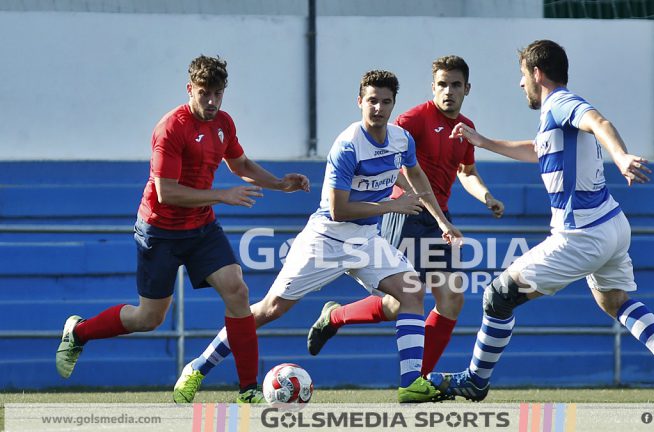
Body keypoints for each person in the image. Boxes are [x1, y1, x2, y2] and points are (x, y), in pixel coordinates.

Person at [426, 40, 654, 402]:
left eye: (523, 76)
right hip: (612, 224)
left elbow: (598, 121)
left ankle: (476, 380)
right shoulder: (554, 117)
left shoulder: (561, 102)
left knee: (497, 296)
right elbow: (536, 149)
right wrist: (483, 141)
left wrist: (619, 157)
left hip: (581, 234)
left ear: (537, 74)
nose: (521, 84)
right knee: (615, 301)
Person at [172, 70, 462, 404]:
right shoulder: (348, 146)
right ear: (360, 102)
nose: (378, 108)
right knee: (270, 309)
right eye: (372, 101)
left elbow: (418, 178)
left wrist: (441, 221)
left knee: (411, 292)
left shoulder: (401, 140)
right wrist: (390, 206)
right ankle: (197, 367)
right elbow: (339, 211)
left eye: (385, 102)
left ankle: (411, 384)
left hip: (366, 240)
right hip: (326, 239)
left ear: (393, 104)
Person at [54, 55, 310, 403]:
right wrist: (222, 195)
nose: (211, 101)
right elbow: (167, 191)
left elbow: (241, 164)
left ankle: (248, 389)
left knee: (237, 290)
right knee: (149, 318)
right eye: (204, 93)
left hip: (201, 226)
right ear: (190, 89)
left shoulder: (223, 123)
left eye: (217, 94)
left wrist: (280, 183)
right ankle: (79, 332)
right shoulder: (171, 128)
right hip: (160, 231)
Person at [305, 55, 505, 376]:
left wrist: (487, 196)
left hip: (440, 218)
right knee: (400, 302)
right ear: (433, 87)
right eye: (442, 84)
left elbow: (466, 171)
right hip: (406, 214)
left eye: (455, 85)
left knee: (452, 299)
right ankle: (336, 316)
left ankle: (419, 379)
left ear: (467, 88)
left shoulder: (465, 129)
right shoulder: (413, 120)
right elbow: (387, 159)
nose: (448, 91)